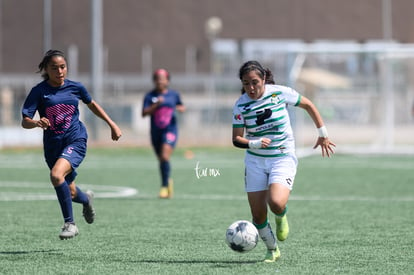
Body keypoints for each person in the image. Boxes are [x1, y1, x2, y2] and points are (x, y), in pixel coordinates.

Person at [232, 60, 335, 262]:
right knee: (258, 216)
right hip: (255, 162)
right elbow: (236, 139)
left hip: (282, 157)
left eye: (255, 82)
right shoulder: (240, 105)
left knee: (276, 202)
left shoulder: (279, 93)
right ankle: (272, 250)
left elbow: (308, 104)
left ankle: (281, 216)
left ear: (263, 79)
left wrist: (322, 133)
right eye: (246, 83)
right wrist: (254, 143)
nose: (251, 88)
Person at [21, 50, 122, 240]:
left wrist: (112, 124)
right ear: (46, 70)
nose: (60, 71)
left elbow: (92, 104)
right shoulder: (39, 91)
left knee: (56, 175)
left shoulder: (76, 88)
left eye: (63, 67)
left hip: (76, 140)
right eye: (54, 68)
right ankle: (86, 200)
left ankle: (70, 223)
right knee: (71, 191)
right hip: (53, 146)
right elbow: (25, 121)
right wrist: (36, 122)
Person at [142, 69, 185, 198]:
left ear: (167, 80)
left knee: (165, 156)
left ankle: (164, 186)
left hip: (170, 130)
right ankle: (167, 181)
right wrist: (156, 105)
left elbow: (182, 107)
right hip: (156, 131)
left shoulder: (174, 95)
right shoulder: (150, 96)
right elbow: (144, 113)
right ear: (154, 81)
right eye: (157, 78)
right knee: (161, 159)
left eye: (162, 78)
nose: (160, 81)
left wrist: (177, 108)